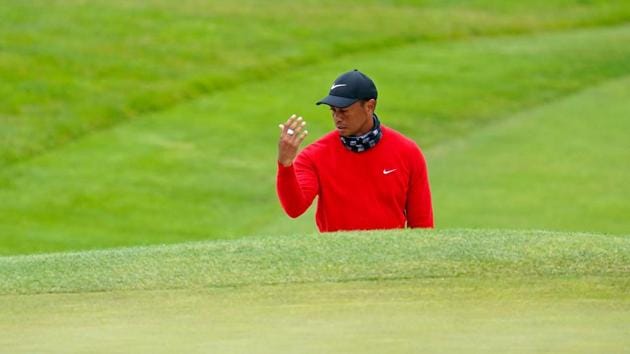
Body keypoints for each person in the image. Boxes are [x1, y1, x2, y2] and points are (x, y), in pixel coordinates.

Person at [276, 69, 433, 231]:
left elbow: (422, 226)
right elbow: (294, 208)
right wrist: (285, 165)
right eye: (333, 111)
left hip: (390, 255)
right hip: (336, 255)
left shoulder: (408, 152)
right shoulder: (313, 156)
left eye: (344, 111)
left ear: (369, 106)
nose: (337, 118)